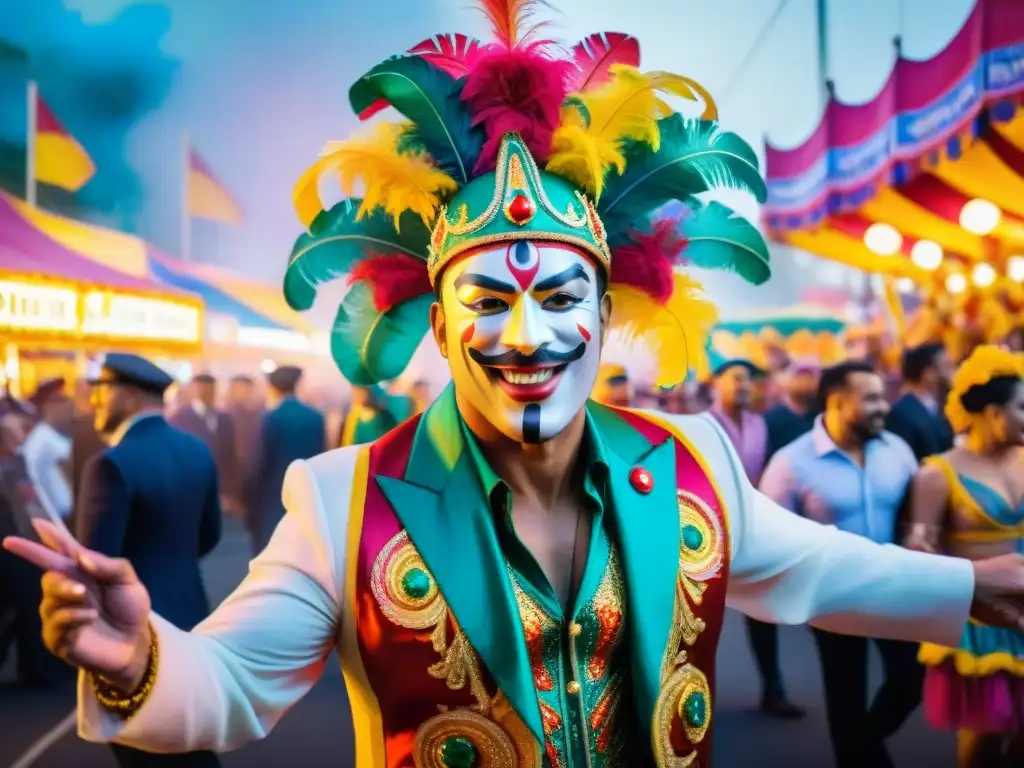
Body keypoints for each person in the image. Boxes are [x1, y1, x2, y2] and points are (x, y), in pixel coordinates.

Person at [5, 6, 1024, 765]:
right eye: (488, 301)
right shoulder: (340, 497)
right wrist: (137, 655)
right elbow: (228, 684)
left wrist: (969, 584)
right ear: (440, 326)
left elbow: (822, 568)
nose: (526, 335)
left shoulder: (692, 464)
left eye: (559, 299)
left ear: (607, 312)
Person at [759, 361, 924, 768]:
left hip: (892, 587)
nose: (884, 406)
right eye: (871, 398)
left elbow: (916, 514)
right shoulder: (791, 462)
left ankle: (862, 743)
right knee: (846, 693)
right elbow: (768, 532)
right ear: (837, 402)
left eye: (882, 396)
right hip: (831, 594)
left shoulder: (897, 450)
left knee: (910, 679)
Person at [75, 355, 223, 768]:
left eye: (99, 392)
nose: (94, 403)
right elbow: (209, 535)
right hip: (191, 615)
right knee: (187, 739)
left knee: (147, 751)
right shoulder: (197, 451)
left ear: (123, 393)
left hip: (131, 633)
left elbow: (96, 565)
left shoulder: (111, 464)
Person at [908, 346, 1024, 767]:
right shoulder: (938, 473)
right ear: (992, 412)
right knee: (983, 741)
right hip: (979, 620)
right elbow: (918, 553)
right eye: (1022, 408)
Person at [708, 356, 802, 718]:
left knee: (763, 610)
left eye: (748, 380)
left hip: (751, 528)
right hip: (707, 530)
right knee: (698, 617)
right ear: (715, 382)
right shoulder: (700, 425)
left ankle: (773, 687)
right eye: (736, 379)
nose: (744, 386)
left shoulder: (759, 423)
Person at [245, 366, 324, 555]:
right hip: (305, 498)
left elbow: (259, 463)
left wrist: (248, 501)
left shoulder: (270, 418)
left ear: (273, 388)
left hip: (272, 499)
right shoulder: (315, 418)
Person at [169, 374, 240, 513]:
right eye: (200, 388)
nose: (205, 392)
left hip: (219, 494)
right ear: (193, 390)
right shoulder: (180, 418)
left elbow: (231, 458)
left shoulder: (225, 419)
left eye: (209, 389)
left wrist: (229, 492)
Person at [887, 342, 955, 463]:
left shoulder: (938, 408)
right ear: (928, 373)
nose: (952, 373)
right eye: (947, 366)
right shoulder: (902, 415)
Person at [22, 378, 74, 524]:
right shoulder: (43, 439)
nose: (70, 412)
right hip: (53, 517)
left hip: (60, 514)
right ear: (50, 406)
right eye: (64, 404)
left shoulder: (53, 434)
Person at [764, 359, 819, 461]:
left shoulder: (820, 416)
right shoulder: (773, 418)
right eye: (800, 377)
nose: (804, 383)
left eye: (809, 378)